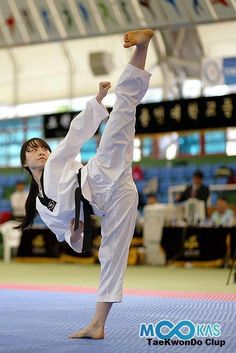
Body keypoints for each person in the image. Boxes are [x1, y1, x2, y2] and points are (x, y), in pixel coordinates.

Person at [17, 29, 154, 339]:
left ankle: (142, 46)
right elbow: (65, 232)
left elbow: (74, 136)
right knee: (111, 256)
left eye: (42, 147)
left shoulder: (57, 162)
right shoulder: (40, 203)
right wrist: (75, 231)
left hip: (99, 174)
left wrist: (96, 102)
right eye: (32, 150)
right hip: (115, 199)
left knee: (122, 111)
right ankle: (98, 324)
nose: (40, 151)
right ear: (25, 163)